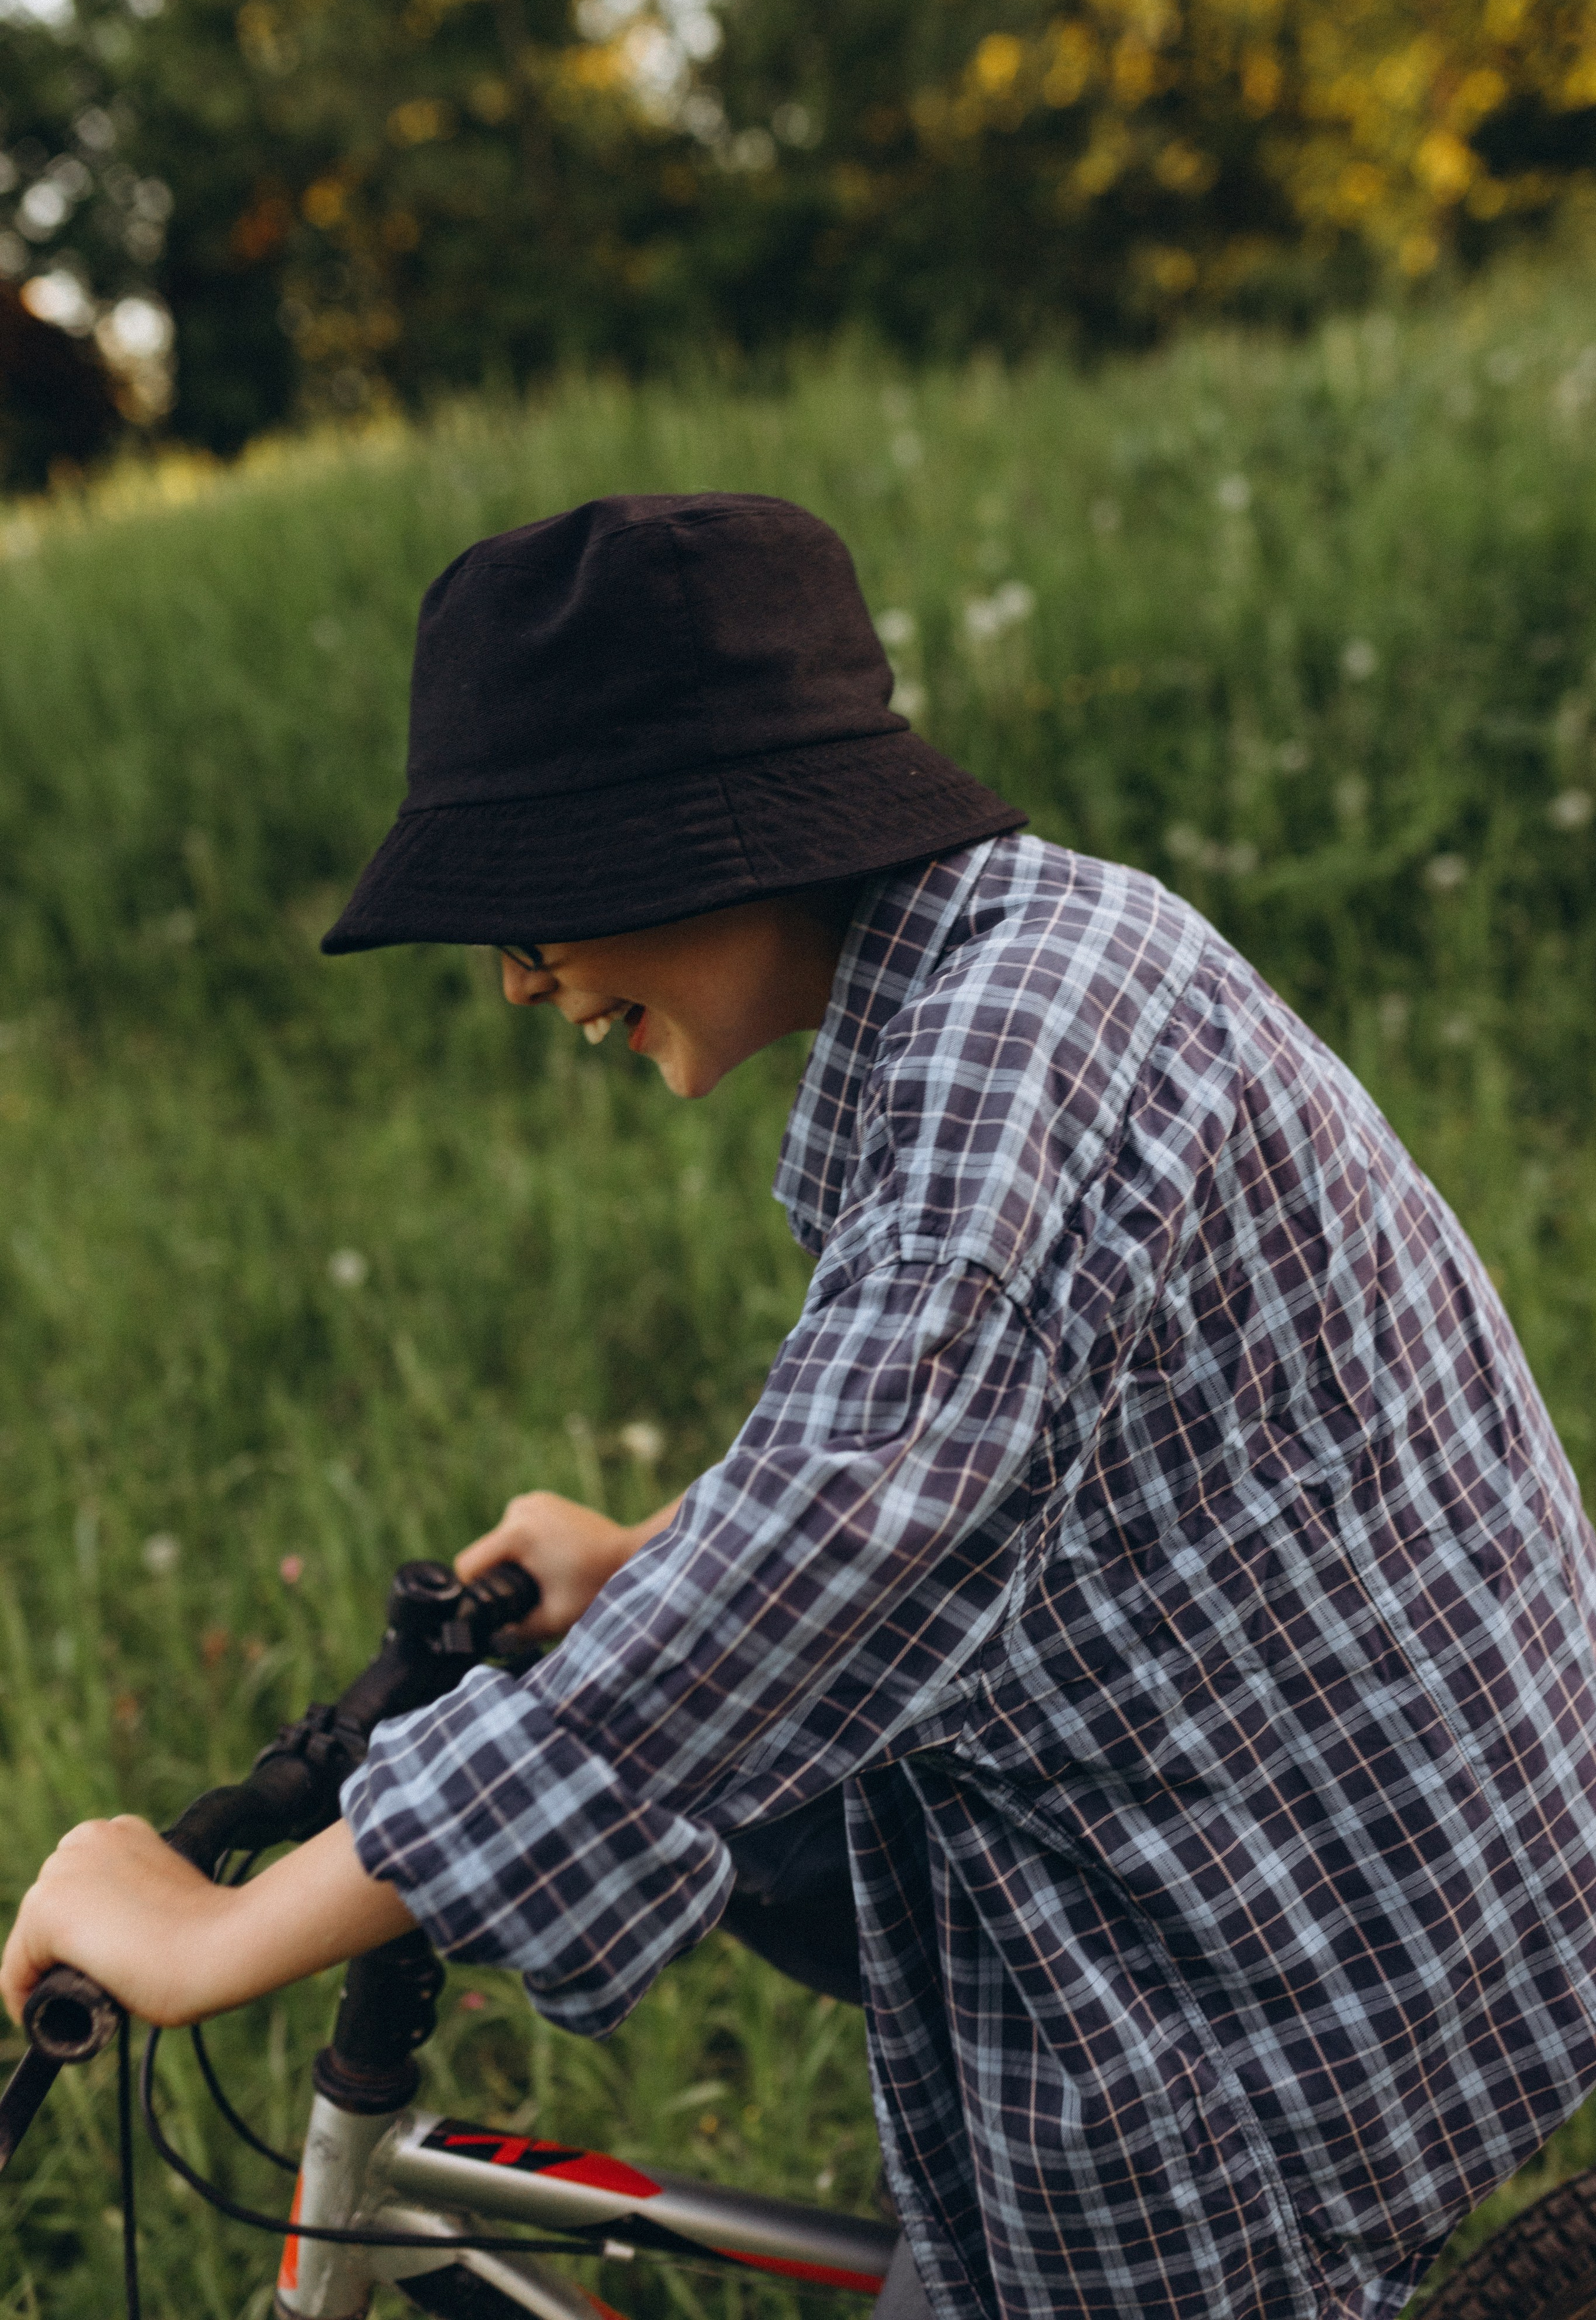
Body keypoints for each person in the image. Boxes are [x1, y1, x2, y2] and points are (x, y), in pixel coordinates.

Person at [7, 491, 1596, 2320]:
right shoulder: (1038, 958)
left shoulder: (993, 1121)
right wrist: (652, 1549)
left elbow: (759, 1619)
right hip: (1412, 1842)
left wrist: (212, 1937)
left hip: (1291, 1990)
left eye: (532, 904)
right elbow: (968, 1460)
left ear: (704, 837)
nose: (520, 978)